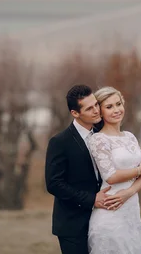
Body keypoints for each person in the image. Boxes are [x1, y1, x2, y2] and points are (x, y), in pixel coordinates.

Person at [45, 84, 114, 254]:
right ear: (75, 113)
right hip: (73, 224)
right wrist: (91, 199)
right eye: (89, 108)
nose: (96, 110)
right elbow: (54, 184)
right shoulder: (60, 142)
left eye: (96, 105)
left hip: (104, 220)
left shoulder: (103, 132)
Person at [86, 86, 141, 254]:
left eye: (118, 104)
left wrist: (128, 193)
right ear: (99, 111)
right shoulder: (98, 139)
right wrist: (138, 170)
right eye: (109, 107)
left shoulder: (130, 137)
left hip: (131, 212)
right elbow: (111, 176)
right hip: (110, 212)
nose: (116, 110)